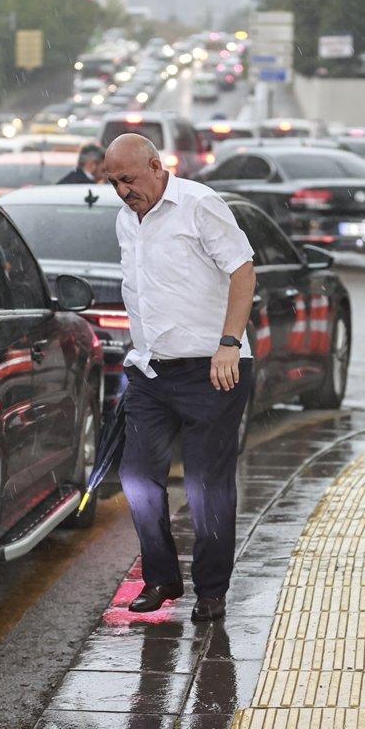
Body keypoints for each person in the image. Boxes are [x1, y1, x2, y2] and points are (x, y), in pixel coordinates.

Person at [104, 133, 256, 623]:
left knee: (206, 485)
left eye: (129, 179)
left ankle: (211, 590)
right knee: (138, 477)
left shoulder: (198, 204)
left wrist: (229, 344)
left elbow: (243, 271)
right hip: (151, 370)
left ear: (154, 165)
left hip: (213, 368)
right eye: (114, 183)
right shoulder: (126, 221)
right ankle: (162, 577)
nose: (123, 191)